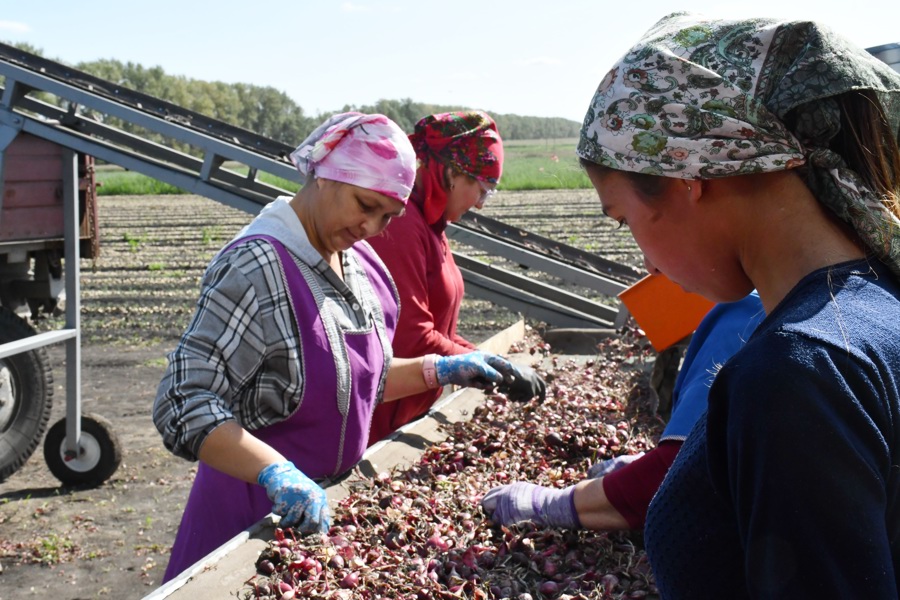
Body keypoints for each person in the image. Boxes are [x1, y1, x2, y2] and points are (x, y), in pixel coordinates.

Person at [575, 12, 900, 597]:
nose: (646, 261)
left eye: (624, 221)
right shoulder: (877, 304)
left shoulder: (798, 373)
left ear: (685, 177)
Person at [152, 112, 530, 583]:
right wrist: (275, 472)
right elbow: (182, 402)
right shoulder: (257, 266)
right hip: (248, 519)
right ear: (324, 176)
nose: (371, 227)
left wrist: (440, 370)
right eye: (363, 204)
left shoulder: (358, 262)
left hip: (318, 519)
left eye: (387, 216)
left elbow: (352, 381)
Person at [481, 291, 765, 531]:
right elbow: (729, 450)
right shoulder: (781, 297)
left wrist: (553, 505)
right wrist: (646, 466)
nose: (649, 266)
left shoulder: (745, 310)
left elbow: (683, 473)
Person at [366, 111, 546, 445]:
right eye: (482, 189)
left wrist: (493, 363)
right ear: (451, 172)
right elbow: (412, 340)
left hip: (412, 407)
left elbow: (440, 329)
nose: (480, 204)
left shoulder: (432, 225)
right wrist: (491, 370)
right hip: (380, 418)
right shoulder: (401, 225)